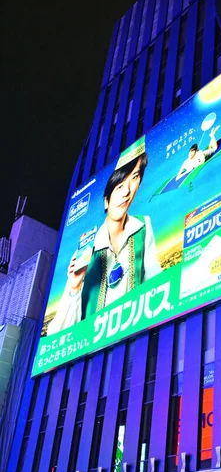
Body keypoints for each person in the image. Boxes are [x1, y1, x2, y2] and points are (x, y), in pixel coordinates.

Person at [48, 140, 161, 334]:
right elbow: (57, 334)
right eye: (118, 187)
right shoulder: (86, 252)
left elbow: (154, 281)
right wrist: (74, 286)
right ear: (106, 201)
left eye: (134, 179)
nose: (126, 192)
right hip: (94, 352)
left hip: (135, 336)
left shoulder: (143, 226)